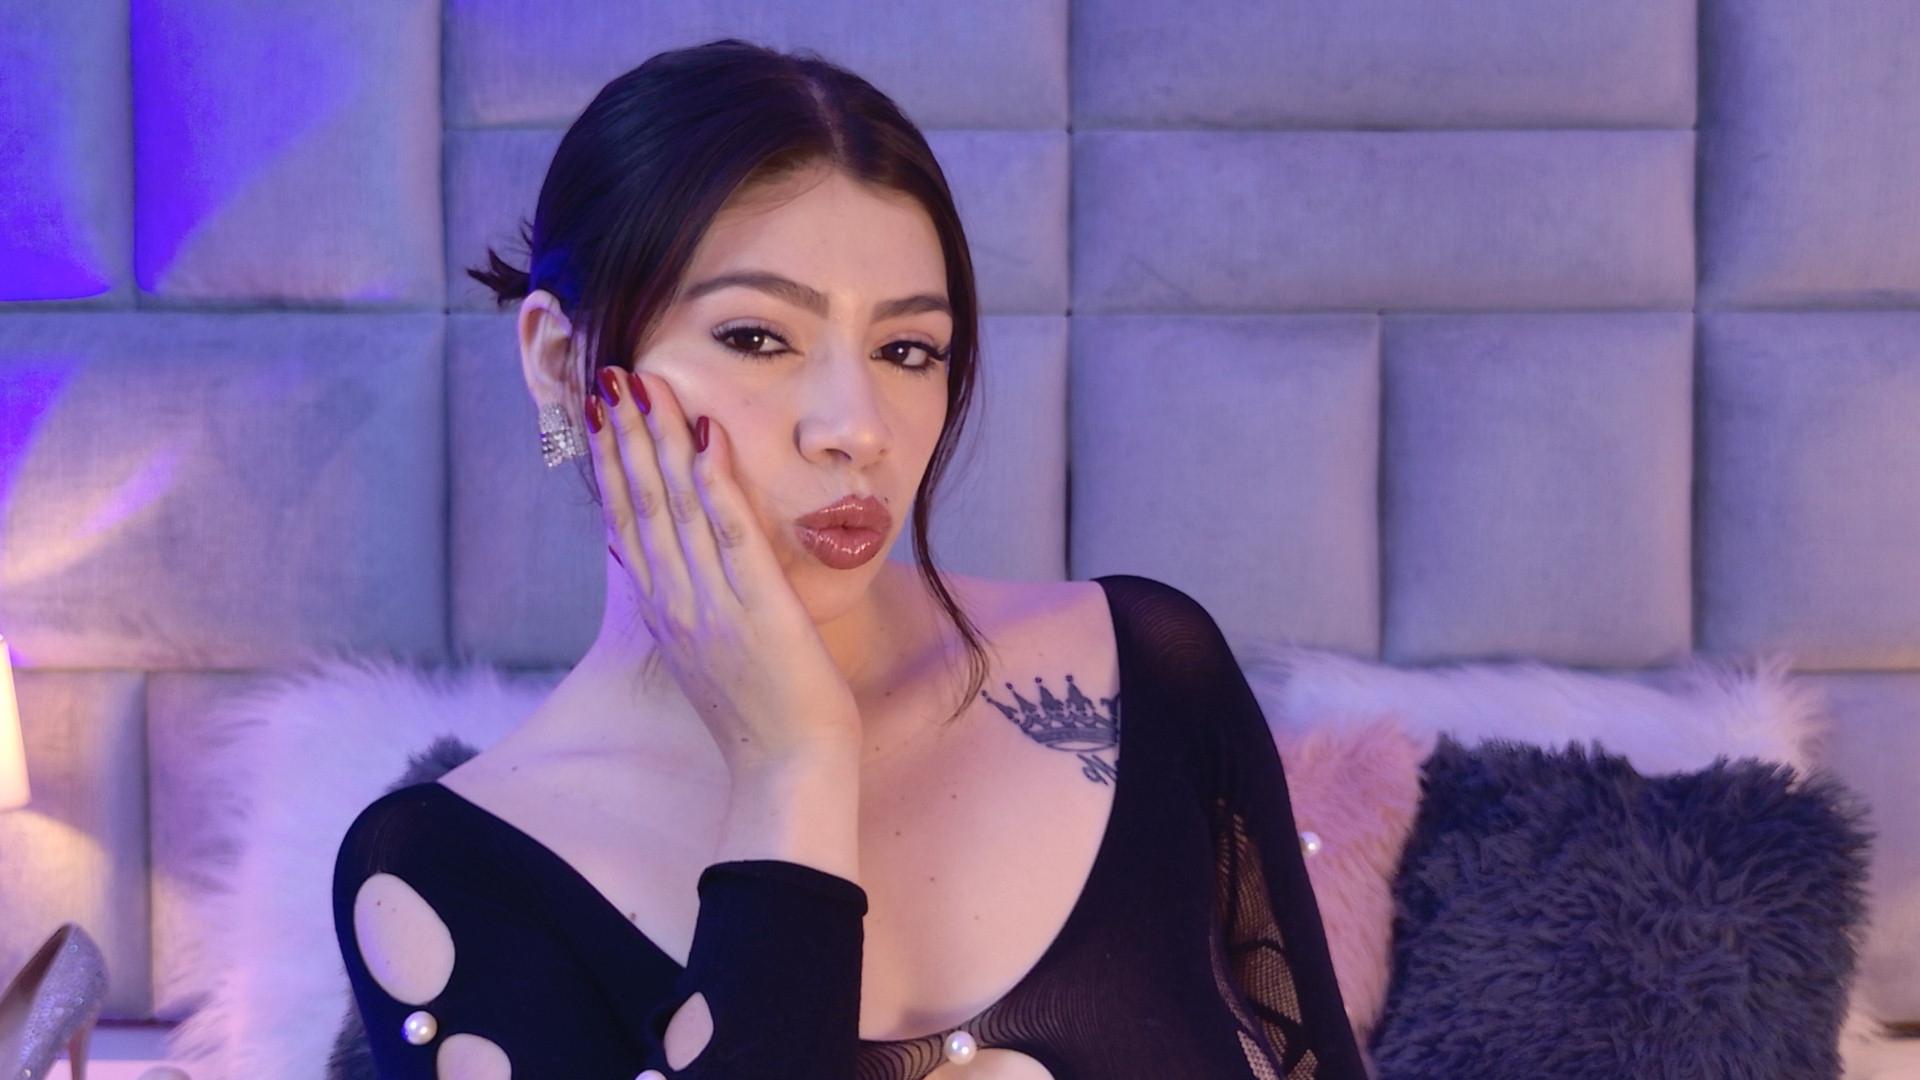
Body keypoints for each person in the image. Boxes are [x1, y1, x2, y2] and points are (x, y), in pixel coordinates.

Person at [330, 37, 1366, 1079]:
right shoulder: (448, 871)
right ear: (563, 363)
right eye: (757, 337)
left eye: (906, 350)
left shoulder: (1146, 666)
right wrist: (793, 766)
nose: (857, 428)